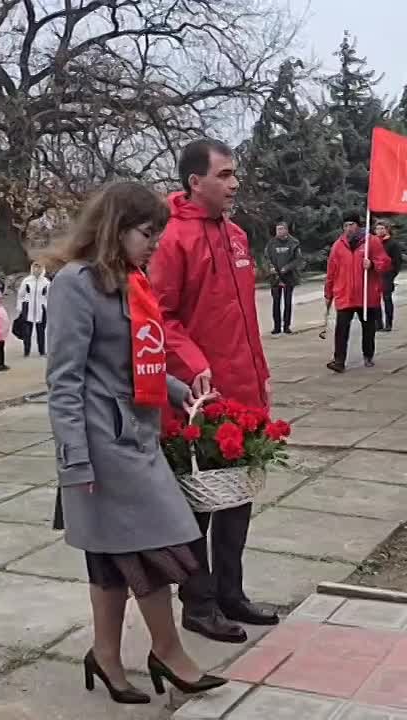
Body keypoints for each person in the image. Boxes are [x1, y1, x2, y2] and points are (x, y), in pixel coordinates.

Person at [45, 181, 226, 704]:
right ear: (115, 228)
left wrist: (180, 391)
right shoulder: (76, 284)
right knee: (157, 549)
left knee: (111, 557)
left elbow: (132, 364)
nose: (155, 244)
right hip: (103, 446)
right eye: (148, 233)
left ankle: (105, 655)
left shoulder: (130, 280)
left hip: (135, 436)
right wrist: (74, 461)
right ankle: (168, 651)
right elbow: (64, 381)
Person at [148, 138, 276, 642]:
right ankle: (198, 604)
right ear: (194, 181)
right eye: (224, 175)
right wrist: (196, 364)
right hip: (197, 397)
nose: (234, 184)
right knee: (198, 504)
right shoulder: (173, 240)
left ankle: (230, 592)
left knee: (237, 498)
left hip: (243, 391)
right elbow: (161, 316)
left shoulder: (236, 235)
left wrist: (261, 377)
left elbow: (244, 319)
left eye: (234, 174)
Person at [324, 216, 392, 373]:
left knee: (368, 328)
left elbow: (386, 263)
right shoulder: (338, 245)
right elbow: (331, 271)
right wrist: (328, 292)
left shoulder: (371, 242)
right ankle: (339, 361)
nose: (348, 228)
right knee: (341, 330)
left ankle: (368, 355)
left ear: (358, 225)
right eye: (346, 225)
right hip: (345, 294)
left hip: (367, 294)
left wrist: (373, 264)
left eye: (352, 224)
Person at [264, 221, 302, 335]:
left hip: (289, 277)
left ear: (286, 230)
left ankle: (286, 326)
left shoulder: (294, 243)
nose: (279, 231)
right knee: (276, 302)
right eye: (278, 229)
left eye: (281, 229)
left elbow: (298, 259)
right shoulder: (271, 243)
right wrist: (270, 267)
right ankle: (276, 327)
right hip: (275, 277)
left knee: (288, 302)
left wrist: (287, 268)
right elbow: (267, 257)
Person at [16, 262, 50, 357]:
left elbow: (49, 297)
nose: (37, 269)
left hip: (41, 309)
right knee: (27, 332)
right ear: (32, 268)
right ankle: (26, 351)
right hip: (28, 308)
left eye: (39, 267)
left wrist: (47, 307)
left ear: (42, 269)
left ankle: (42, 351)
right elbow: (21, 295)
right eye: (35, 267)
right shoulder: (27, 281)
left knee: (41, 331)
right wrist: (20, 307)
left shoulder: (46, 282)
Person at [376, 220, 402, 332]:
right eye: (377, 229)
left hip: (387, 274)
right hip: (376, 274)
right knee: (375, 300)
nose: (379, 231)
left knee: (387, 298)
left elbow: (397, 261)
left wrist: (392, 274)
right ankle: (378, 323)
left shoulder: (392, 244)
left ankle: (388, 323)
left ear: (387, 229)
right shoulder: (374, 242)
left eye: (382, 228)